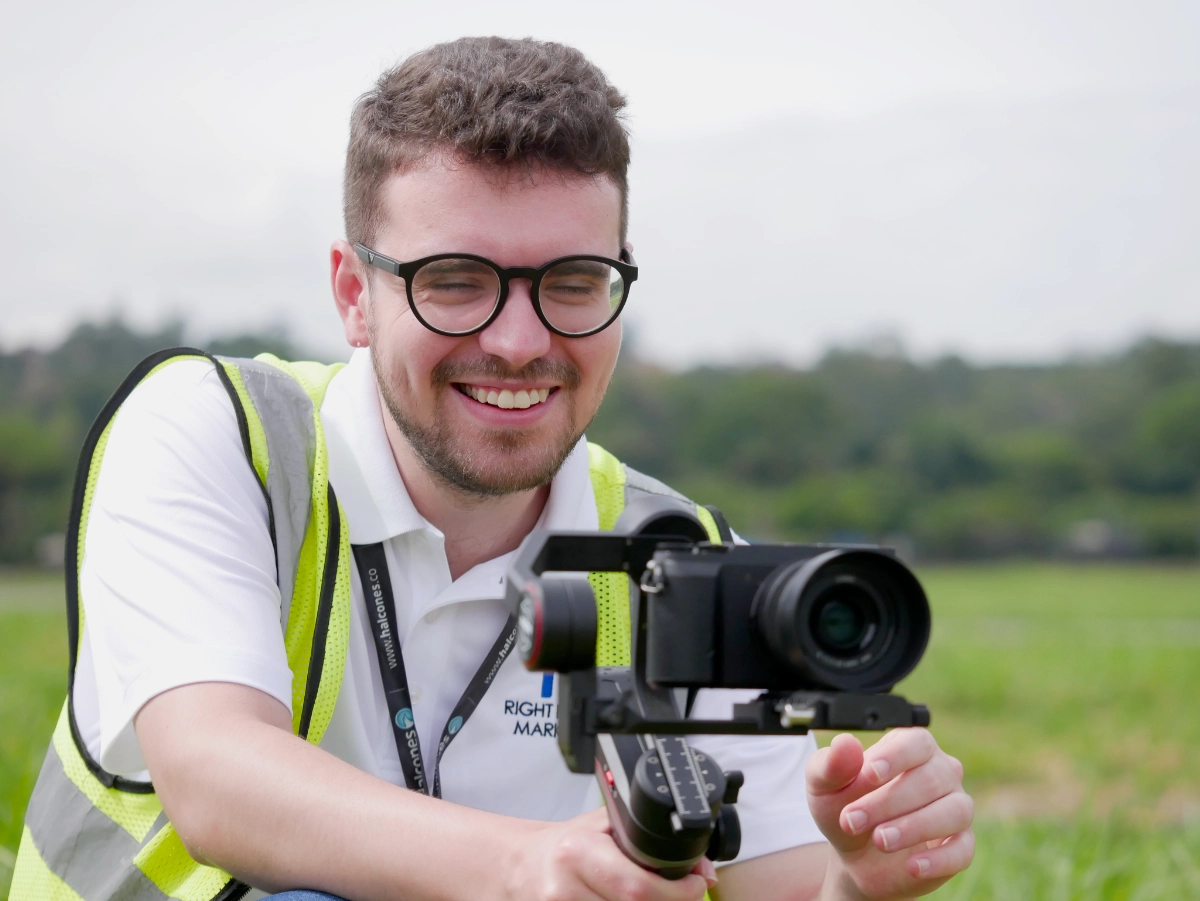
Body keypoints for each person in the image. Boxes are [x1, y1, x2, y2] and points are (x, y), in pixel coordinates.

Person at [12, 37, 973, 901]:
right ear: (356, 294)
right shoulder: (218, 431)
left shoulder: (674, 554)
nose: (520, 341)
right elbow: (219, 778)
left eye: (572, 283)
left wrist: (859, 877)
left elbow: (783, 889)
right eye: (457, 282)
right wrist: (524, 865)